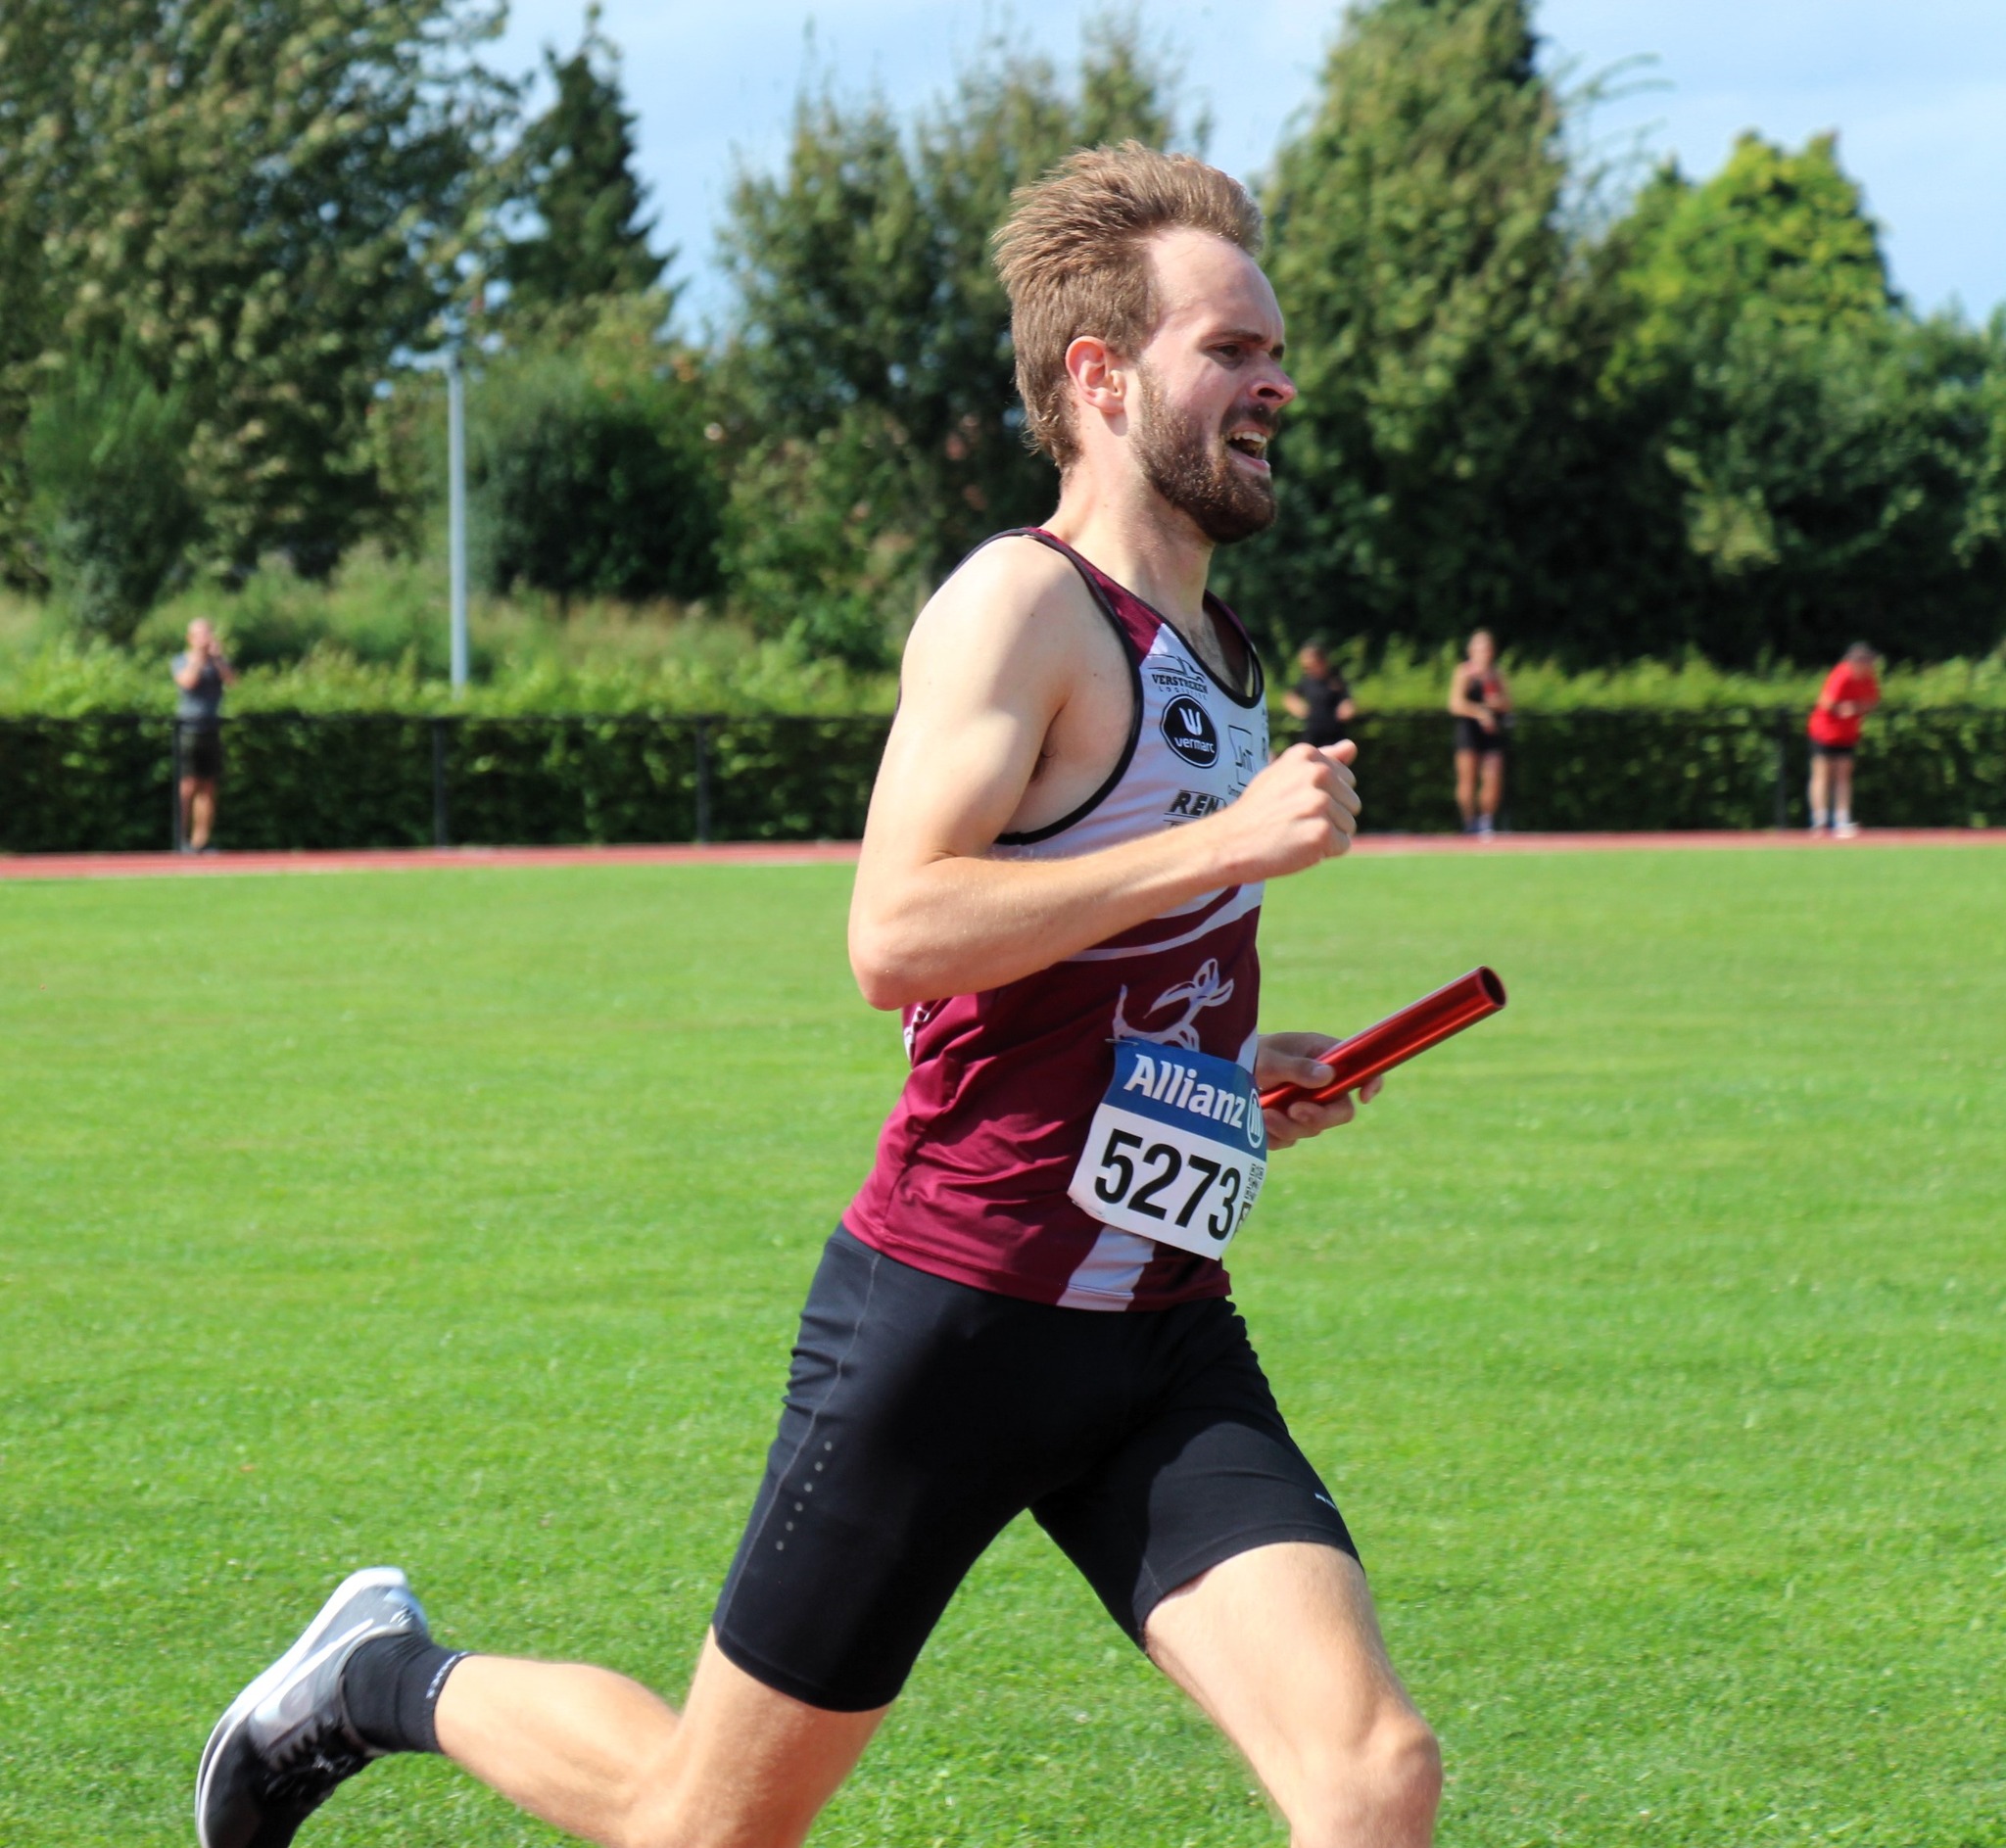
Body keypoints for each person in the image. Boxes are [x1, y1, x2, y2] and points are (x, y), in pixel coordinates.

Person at [196, 145, 1443, 1848]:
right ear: (1098, 378)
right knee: (698, 1822)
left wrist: (1235, 1076)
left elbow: (1096, 966)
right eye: (1229, 348)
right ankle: (380, 1675)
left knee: (1371, 1775)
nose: (1275, 382)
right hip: (954, 1319)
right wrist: (1225, 841)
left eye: (1275, 350)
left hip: (1155, 1328)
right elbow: (898, 928)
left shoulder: (1222, 654)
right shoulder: (1019, 607)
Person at [171, 618, 237, 852]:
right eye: (200, 635)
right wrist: (199, 658)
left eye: (208, 633)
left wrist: (217, 659)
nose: (205, 639)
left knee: (208, 787)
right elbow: (188, 682)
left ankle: (201, 841)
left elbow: (232, 681)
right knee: (188, 785)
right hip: (189, 729)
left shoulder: (217, 661)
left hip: (212, 727)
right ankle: (180, 839)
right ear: (190, 638)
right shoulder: (181, 660)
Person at [1806, 642, 1881, 837]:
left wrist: (1855, 708)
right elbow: (1826, 702)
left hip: (1847, 733)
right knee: (1822, 774)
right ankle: (1820, 820)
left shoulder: (1868, 678)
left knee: (1843, 775)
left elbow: (1873, 702)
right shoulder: (1842, 675)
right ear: (1857, 662)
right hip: (1824, 731)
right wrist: (1844, 708)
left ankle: (1841, 819)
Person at [1447, 629, 1510, 835]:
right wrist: (1479, 712)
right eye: (1480, 648)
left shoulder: (1496, 674)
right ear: (1471, 650)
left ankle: (1486, 821)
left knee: (1493, 775)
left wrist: (1495, 704)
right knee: (1467, 779)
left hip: (1491, 732)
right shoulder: (1464, 672)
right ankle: (1469, 821)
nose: (1484, 652)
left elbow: (1507, 703)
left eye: (1487, 648)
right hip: (1468, 731)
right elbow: (1455, 704)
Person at [1282, 635, 1358, 750]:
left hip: (1335, 736)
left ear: (1322, 661)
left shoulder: (1335, 679)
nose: (1308, 669)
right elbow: (1290, 697)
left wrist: (1347, 709)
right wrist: (1298, 707)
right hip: (1312, 734)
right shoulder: (1306, 680)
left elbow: (1347, 701)